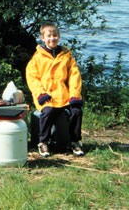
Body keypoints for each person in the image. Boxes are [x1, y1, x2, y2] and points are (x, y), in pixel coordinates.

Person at [26, 23, 85, 157]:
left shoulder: (66, 55)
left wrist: (74, 95)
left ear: (59, 37)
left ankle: (75, 141)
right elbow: (32, 79)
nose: (52, 38)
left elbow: (75, 76)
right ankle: (43, 142)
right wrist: (41, 94)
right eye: (49, 36)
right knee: (48, 111)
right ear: (42, 38)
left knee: (76, 112)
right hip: (46, 95)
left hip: (63, 94)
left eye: (55, 35)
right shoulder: (37, 58)